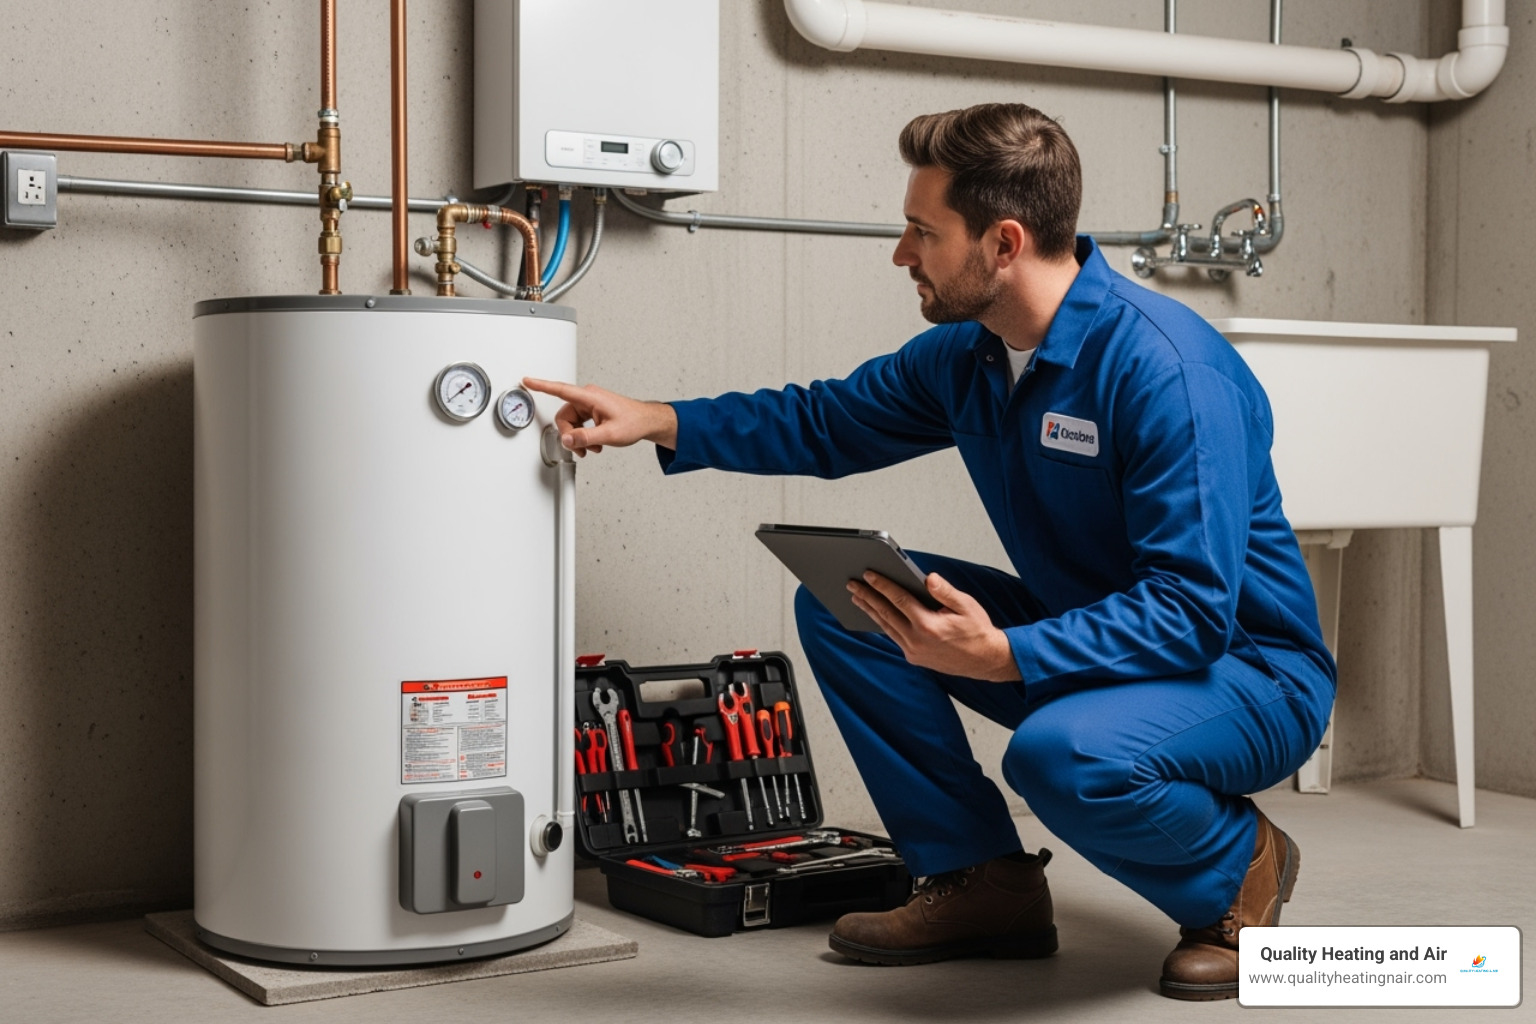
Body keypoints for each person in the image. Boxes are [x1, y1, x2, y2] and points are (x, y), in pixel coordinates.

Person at [524, 102, 1334, 1001]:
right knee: (854, 599)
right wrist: (662, 421)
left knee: (1061, 756)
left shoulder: (1167, 374)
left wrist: (1009, 652)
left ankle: (1236, 873)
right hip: (1097, 636)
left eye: (922, 232)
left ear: (1003, 242)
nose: (902, 254)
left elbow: (1189, 612)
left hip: (1245, 672)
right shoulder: (973, 355)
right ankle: (980, 880)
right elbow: (827, 420)